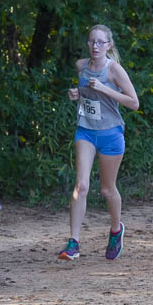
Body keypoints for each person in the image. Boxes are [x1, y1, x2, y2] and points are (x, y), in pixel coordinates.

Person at [59, 24, 140, 262]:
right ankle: (73, 242)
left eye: (100, 42)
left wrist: (106, 89)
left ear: (109, 45)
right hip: (85, 131)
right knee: (81, 186)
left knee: (107, 189)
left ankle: (116, 230)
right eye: (92, 41)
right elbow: (84, 94)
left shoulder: (114, 70)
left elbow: (134, 103)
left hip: (111, 134)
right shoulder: (81, 66)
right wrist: (76, 95)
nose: (95, 46)